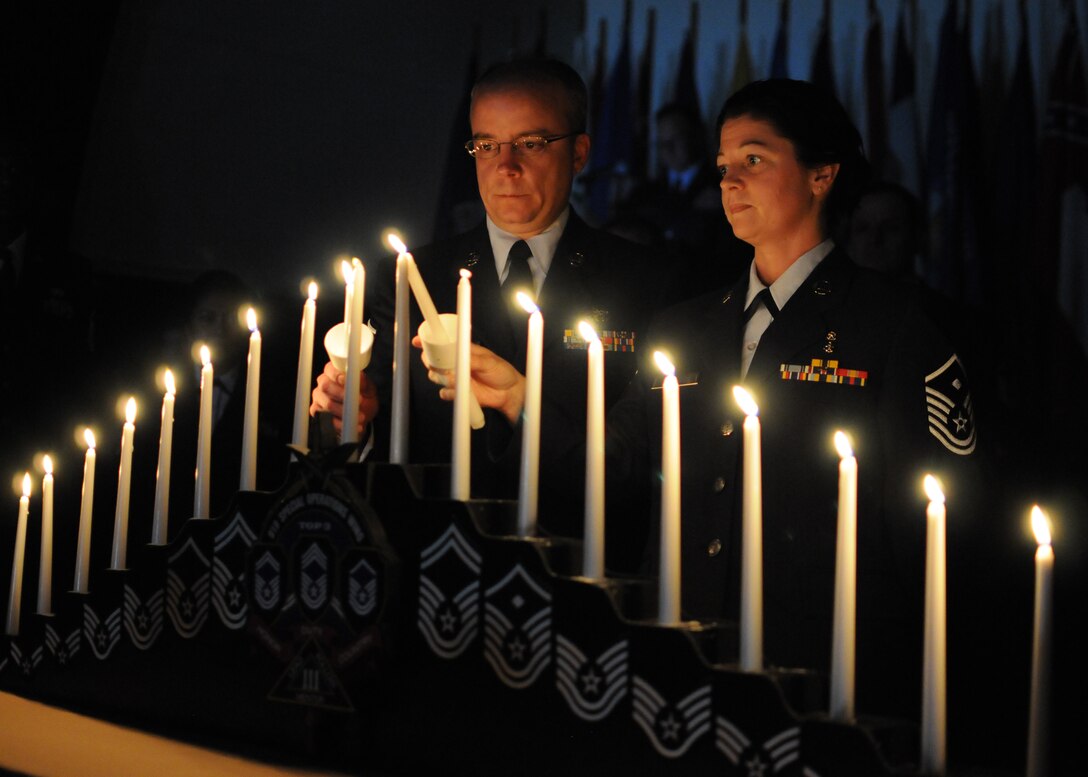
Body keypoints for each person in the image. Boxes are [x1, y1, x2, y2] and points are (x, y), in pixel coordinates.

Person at [444, 79, 983, 722]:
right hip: (685, 662)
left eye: (754, 160)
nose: (729, 182)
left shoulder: (893, 327)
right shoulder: (686, 328)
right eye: (723, 166)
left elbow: (935, 533)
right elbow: (613, 470)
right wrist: (520, 400)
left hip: (827, 673)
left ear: (822, 175)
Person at [311, 58, 673, 570]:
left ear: (580, 153)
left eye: (531, 143)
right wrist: (353, 418)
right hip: (438, 568)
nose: (506, 166)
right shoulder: (416, 279)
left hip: (580, 571)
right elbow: (373, 440)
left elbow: (644, 463)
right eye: (486, 145)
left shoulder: (642, 281)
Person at [616, 101, 752, 300]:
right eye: (662, 142)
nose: (668, 148)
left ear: (695, 136)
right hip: (649, 294)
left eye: (676, 139)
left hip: (704, 295)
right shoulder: (644, 193)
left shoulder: (725, 186)